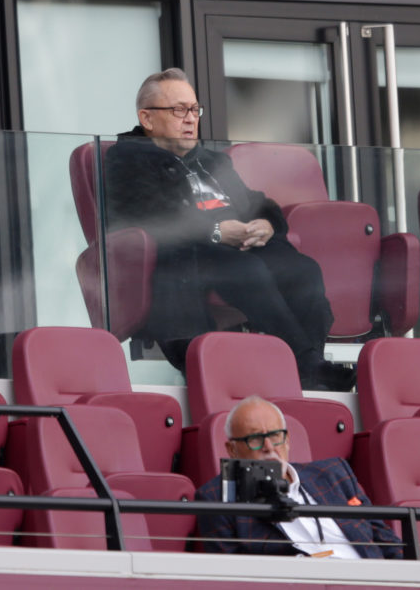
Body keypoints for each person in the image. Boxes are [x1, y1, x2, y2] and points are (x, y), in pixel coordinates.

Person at [105, 67, 352, 391]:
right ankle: (305, 364)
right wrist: (217, 231)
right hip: (186, 255)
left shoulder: (212, 160)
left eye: (194, 110)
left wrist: (266, 223)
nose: (190, 119)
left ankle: (310, 368)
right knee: (245, 269)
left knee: (303, 270)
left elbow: (254, 201)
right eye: (179, 110)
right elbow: (154, 218)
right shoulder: (127, 158)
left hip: (237, 245)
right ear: (147, 119)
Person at [195, 396, 402, 559]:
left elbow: (387, 543)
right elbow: (231, 578)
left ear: (287, 440)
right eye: (255, 439)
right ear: (232, 450)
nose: (269, 447)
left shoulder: (334, 473)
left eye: (275, 435)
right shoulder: (218, 498)